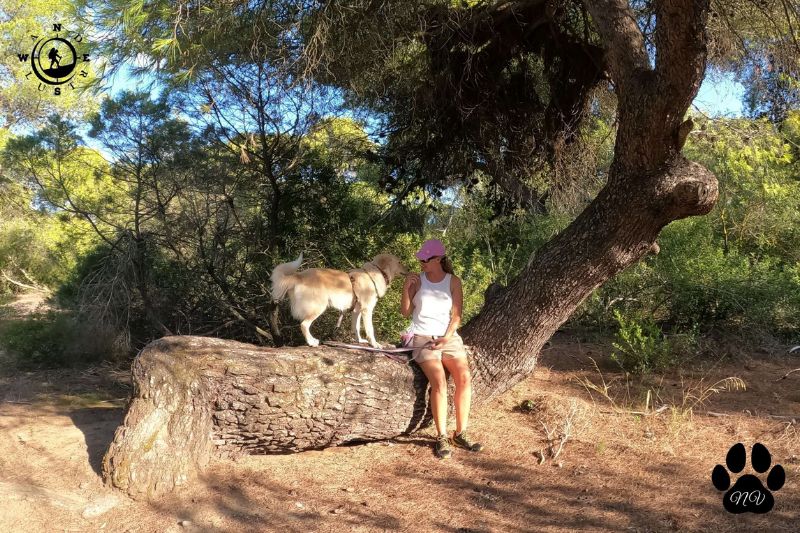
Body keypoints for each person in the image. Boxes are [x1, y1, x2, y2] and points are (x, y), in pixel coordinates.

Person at [401, 239, 483, 459]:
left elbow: (456, 315)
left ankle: (461, 432)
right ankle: (442, 436)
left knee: (464, 377)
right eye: (420, 259)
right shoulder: (418, 280)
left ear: (437, 259)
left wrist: (446, 338)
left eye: (425, 259)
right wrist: (406, 288)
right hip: (422, 337)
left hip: (448, 337)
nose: (421, 262)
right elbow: (405, 312)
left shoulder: (453, 281)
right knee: (438, 380)